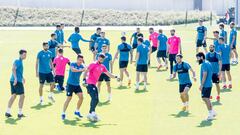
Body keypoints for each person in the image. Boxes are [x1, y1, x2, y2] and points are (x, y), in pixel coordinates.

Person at [82, 54, 120, 122]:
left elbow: (109, 74)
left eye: (103, 58)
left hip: (93, 84)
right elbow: (86, 71)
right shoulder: (93, 64)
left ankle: (90, 113)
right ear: (98, 57)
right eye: (100, 57)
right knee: (95, 98)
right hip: (89, 84)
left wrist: (116, 77)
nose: (101, 59)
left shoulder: (102, 66)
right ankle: (92, 113)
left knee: (96, 99)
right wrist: (84, 80)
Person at [61, 55, 86, 120]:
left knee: (81, 97)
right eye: (79, 60)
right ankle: (63, 113)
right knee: (69, 98)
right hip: (70, 84)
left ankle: (77, 111)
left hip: (77, 84)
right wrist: (81, 70)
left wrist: (83, 69)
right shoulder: (72, 63)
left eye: (81, 60)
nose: (80, 61)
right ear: (77, 59)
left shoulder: (82, 66)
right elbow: (73, 70)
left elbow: (85, 70)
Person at [5, 50, 27, 118]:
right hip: (16, 81)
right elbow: (13, 69)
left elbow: (18, 71)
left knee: (14, 95)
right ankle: (20, 113)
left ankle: (7, 112)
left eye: (26, 55)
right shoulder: (17, 61)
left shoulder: (20, 61)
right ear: (20, 55)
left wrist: (22, 77)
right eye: (24, 55)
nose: (25, 56)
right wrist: (16, 79)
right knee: (22, 96)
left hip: (14, 80)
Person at [196, 52, 216, 121]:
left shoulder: (204, 64)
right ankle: (213, 112)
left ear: (201, 57)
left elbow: (205, 75)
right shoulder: (208, 62)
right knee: (205, 98)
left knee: (205, 98)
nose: (197, 59)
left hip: (206, 85)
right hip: (208, 84)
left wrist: (201, 85)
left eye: (198, 58)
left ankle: (210, 114)